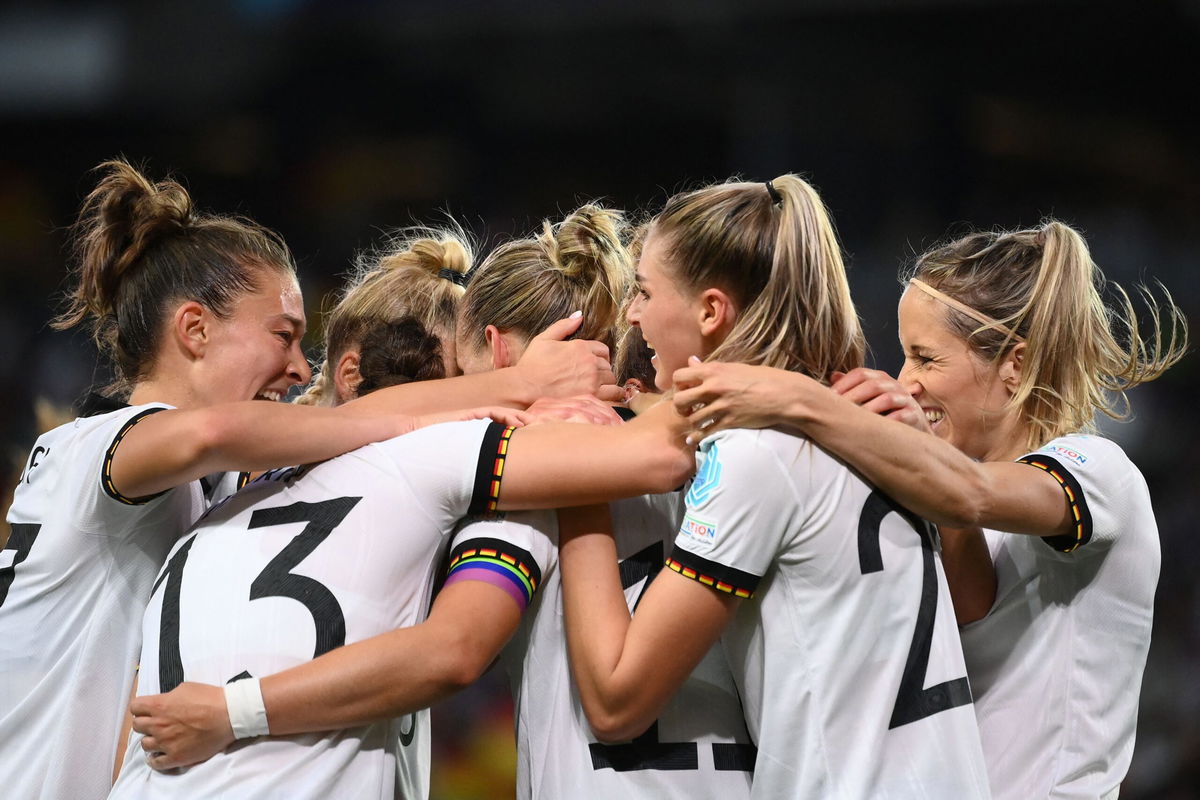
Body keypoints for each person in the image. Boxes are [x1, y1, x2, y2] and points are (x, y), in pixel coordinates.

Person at [108, 210, 696, 799]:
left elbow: (133, 731)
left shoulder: (216, 507)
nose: (296, 368)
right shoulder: (446, 458)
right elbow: (452, 650)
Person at [667, 220, 1188, 800]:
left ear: (1014, 363)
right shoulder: (946, 494)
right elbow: (972, 595)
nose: (905, 381)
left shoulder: (1098, 471)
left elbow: (972, 495)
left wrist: (800, 401)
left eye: (926, 359)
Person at [0, 159, 451, 800]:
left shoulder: (208, 492)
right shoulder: (89, 447)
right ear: (195, 329)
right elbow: (215, 433)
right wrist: (512, 390)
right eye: (283, 336)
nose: (299, 367)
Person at [556, 176, 991, 798]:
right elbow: (970, 607)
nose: (633, 313)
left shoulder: (754, 455)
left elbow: (618, 701)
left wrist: (579, 478)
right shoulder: (872, 424)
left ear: (710, 311)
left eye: (645, 292)